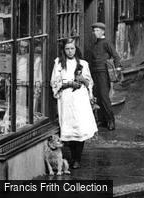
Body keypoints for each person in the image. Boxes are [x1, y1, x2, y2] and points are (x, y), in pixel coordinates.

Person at [50, 38, 97, 169]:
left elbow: (89, 83)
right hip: (66, 99)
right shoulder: (59, 64)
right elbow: (54, 82)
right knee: (69, 128)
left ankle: (77, 159)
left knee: (80, 128)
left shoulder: (83, 64)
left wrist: (82, 80)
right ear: (63, 50)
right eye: (67, 49)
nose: (70, 51)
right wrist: (68, 84)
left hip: (80, 99)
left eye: (72, 49)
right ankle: (72, 154)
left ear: (76, 49)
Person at [86, 22, 122, 130]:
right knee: (98, 96)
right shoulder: (96, 44)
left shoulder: (106, 43)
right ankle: (102, 120)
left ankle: (111, 121)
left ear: (103, 31)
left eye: (98, 30)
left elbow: (116, 56)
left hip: (103, 73)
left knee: (104, 97)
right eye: (94, 31)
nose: (95, 33)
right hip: (95, 72)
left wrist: (117, 69)